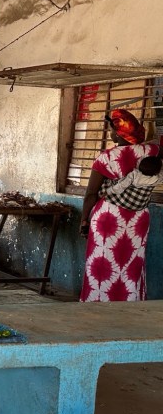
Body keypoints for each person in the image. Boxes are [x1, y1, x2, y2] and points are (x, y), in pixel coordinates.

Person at [80, 109, 161, 302]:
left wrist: (84, 220)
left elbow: (91, 193)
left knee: (102, 264)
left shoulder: (105, 157)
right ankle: (130, 305)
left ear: (118, 133)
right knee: (132, 265)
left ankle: (97, 305)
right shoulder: (152, 151)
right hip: (138, 218)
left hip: (109, 217)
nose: (110, 133)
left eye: (112, 130)